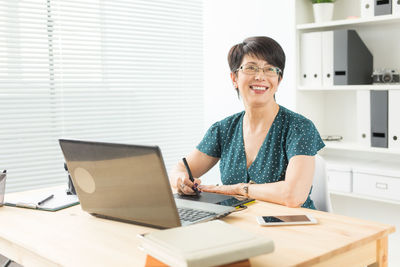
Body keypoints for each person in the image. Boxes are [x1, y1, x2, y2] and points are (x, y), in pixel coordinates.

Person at [169, 36, 325, 209]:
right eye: (251, 68)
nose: (260, 76)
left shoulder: (299, 127)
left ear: (279, 80)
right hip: (241, 223)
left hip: (294, 227)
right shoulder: (224, 129)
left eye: (270, 70)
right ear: (234, 78)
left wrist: (239, 189)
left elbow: (293, 195)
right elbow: (179, 169)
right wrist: (181, 181)